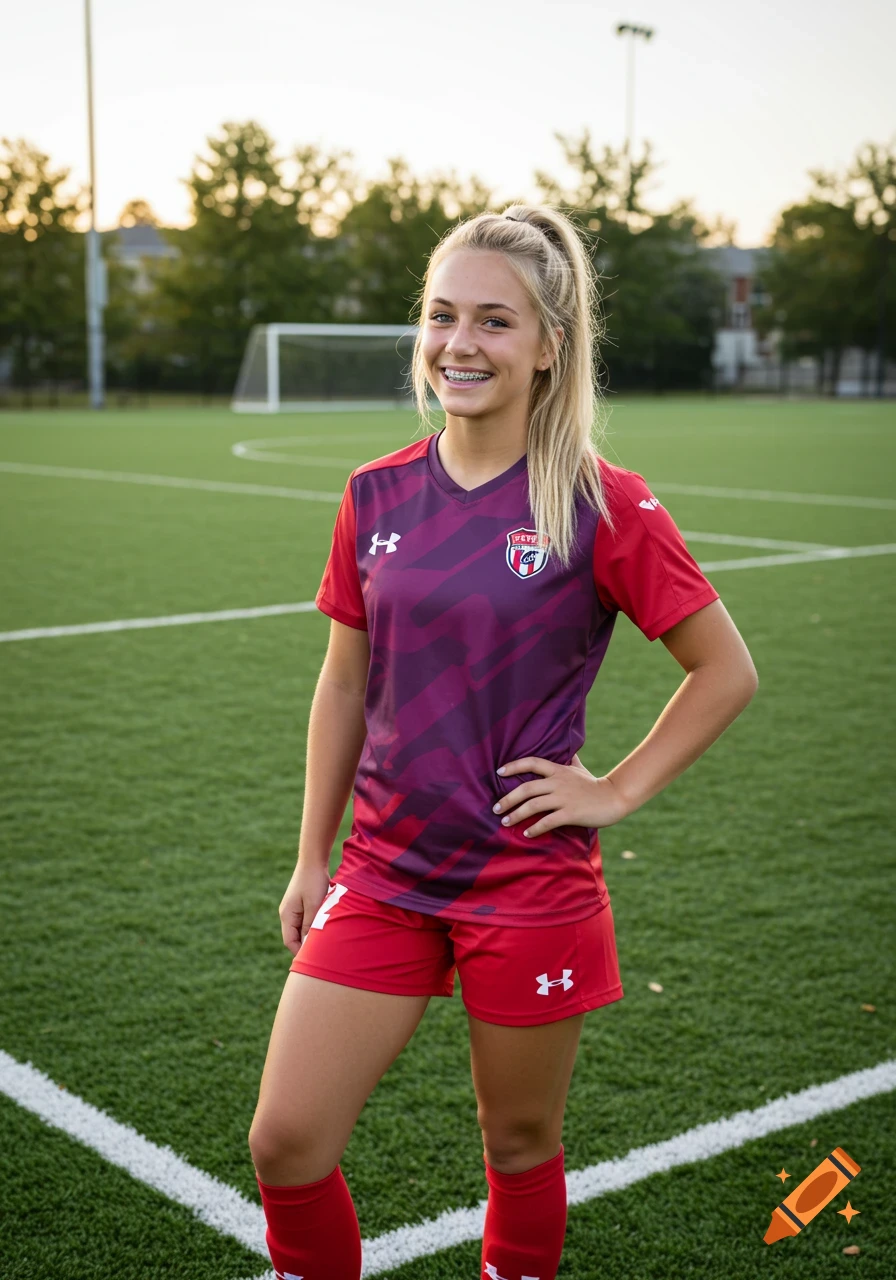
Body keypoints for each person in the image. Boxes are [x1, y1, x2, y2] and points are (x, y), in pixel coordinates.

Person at [248, 204, 758, 1280]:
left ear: (547, 347)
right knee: (284, 1141)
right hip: (383, 871)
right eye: (442, 316)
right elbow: (343, 682)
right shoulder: (374, 493)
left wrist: (614, 790)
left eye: (493, 320)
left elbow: (724, 669)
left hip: (525, 881)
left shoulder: (598, 503)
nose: (459, 343)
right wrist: (309, 854)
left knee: (517, 1144)